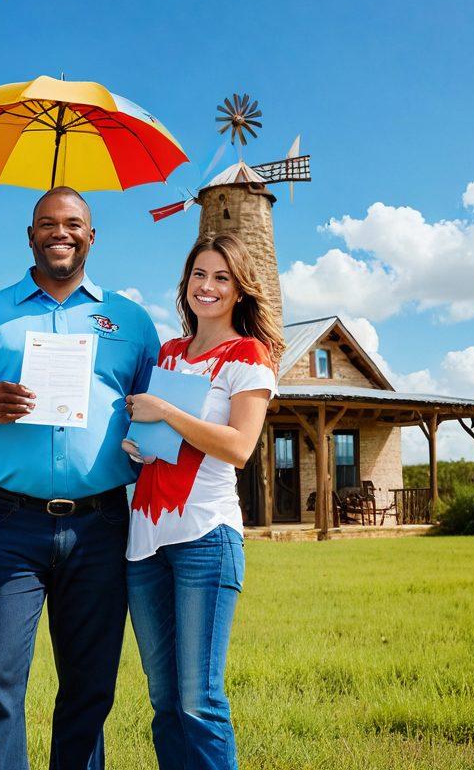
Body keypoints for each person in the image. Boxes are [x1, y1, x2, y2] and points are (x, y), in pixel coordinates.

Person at [0, 186, 161, 770]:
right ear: (30, 235)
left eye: (73, 223)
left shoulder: (130, 320)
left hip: (102, 523)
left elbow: (155, 408)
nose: (60, 232)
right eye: (47, 223)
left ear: (91, 235)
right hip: (12, 523)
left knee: (90, 686)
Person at [123, 233, 283, 770]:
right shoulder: (170, 352)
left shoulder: (249, 355)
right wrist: (139, 444)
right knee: (164, 701)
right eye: (199, 275)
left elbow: (239, 447)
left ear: (239, 290)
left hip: (205, 537)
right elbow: (164, 443)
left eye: (221, 277)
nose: (207, 287)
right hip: (145, 540)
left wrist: (165, 413)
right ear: (186, 283)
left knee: (200, 700)